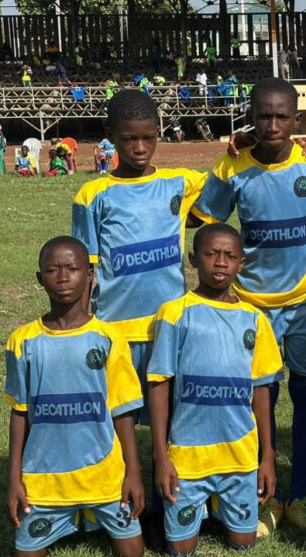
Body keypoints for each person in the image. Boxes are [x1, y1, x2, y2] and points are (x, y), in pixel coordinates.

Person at [194, 78, 306, 533]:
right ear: (251, 118)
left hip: (303, 302)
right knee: (256, 396)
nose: (273, 124)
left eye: (283, 116)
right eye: (264, 116)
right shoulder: (233, 165)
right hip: (249, 304)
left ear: (297, 120)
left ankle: (298, 493)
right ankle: (259, 490)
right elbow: (202, 219)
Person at [71, 89, 206, 431]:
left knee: (173, 415)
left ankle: (166, 466)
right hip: (117, 328)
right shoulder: (92, 196)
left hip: (169, 325)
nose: (140, 148)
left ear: (159, 133)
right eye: (129, 139)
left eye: (149, 138)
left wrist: (244, 144)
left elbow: (226, 184)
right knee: (119, 417)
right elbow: (85, 268)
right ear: (110, 135)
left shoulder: (179, 183)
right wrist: (80, 328)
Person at [5, 236, 145, 557]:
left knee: (132, 553)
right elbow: (19, 412)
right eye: (52, 270)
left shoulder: (109, 337)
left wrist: (133, 473)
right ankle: (70, 513)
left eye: (72, 268)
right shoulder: (23, 341)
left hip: (104, 476)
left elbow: (123, 411)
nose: (63, 277)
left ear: (89, 275)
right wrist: (14, 478)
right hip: (45, 478)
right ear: (40, 278)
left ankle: (91, 512)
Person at [147, 224, 283, 555]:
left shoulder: (254, 319)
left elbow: (262, 392)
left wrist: (267, 456)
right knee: (181, 550)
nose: (220, 262)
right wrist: (160, 455)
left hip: (239, 454)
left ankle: (243, 508)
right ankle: (201, 509)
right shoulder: (174, 313)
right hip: (188, 455)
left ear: (242, 263)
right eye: (211, 254)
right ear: (194, 259)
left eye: (229, 256)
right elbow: (159, 383)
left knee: (243, 544)